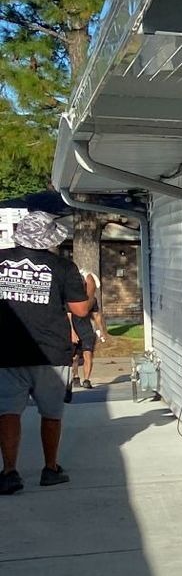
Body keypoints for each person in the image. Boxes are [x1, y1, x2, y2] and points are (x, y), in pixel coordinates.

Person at [0, 211, 92, 494]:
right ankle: (50, 469)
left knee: (7, 412)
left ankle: (9, 472)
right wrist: (89, 291)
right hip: (51, 351)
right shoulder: (62, 267)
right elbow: (80, 310)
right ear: (50, 239)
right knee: (51, 413)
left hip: (7, 348)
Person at [70, 260, 101, 390]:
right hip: (74, 329)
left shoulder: (91, 300)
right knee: (75, 357)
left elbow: (96, 315)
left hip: (87, 330)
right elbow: (68, 316)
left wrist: (100, 330)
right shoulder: (71, 298)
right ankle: (75, 376)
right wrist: (72, 332)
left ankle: (87, 380)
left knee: (88, 354)